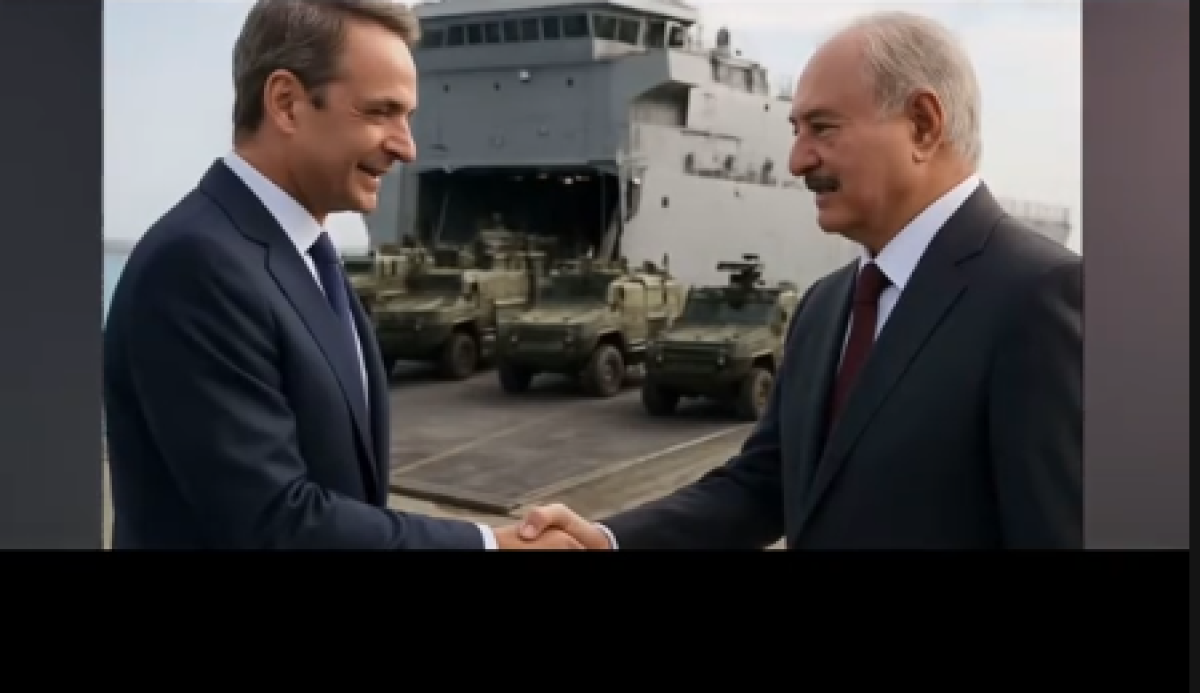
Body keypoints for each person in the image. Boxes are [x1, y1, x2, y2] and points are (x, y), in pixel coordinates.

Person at [518, 11, 1082, 550]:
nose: (797, 161)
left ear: (922, 125)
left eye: (823, 128)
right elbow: (766, 483)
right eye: (796, 130)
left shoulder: (1039, 297)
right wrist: (609, 541)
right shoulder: (827, 304)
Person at [102, 0, 580, 550]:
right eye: (380, 112)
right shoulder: (197, 265)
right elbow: (272, 522)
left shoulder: (303, 257)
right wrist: (491, 547)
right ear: (286, 104)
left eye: (407, 116)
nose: (406, 146)